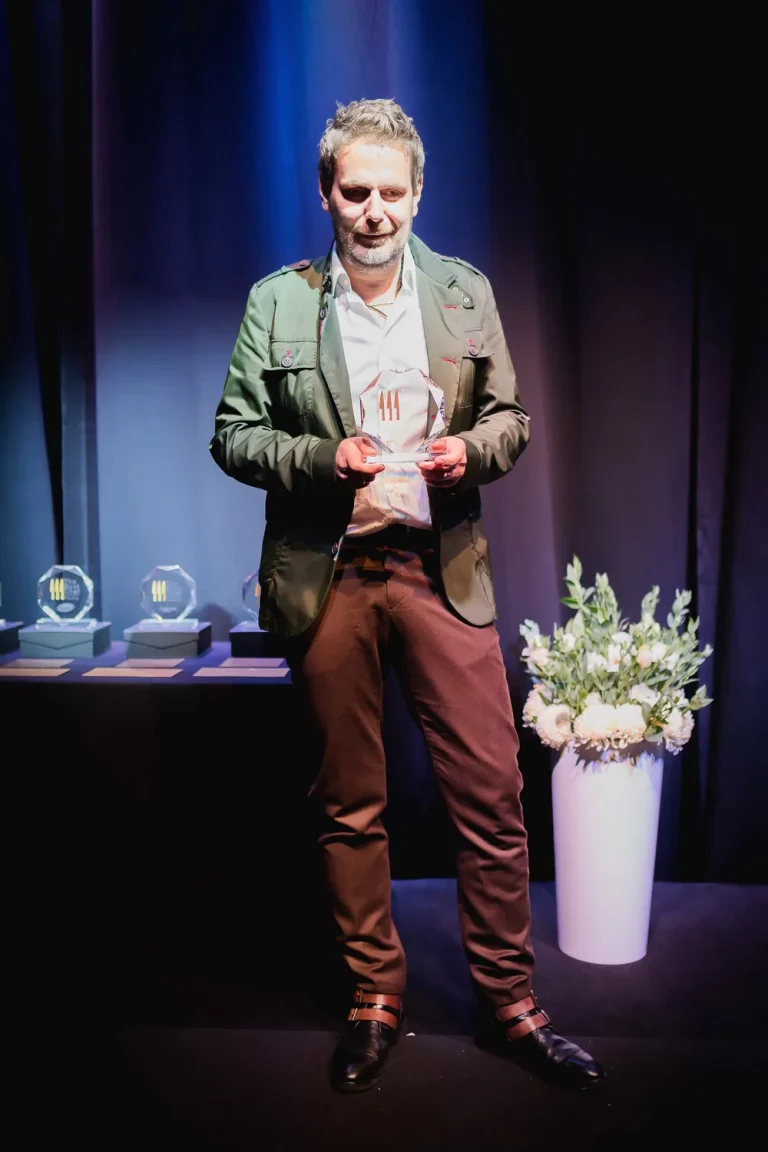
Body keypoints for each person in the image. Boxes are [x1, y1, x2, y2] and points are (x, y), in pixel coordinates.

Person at [210, 98, 604, 1093]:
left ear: (419, 193)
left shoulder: (464, 293)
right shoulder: (279, 302)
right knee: (350, 802)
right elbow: (233, 435)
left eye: (392, 191)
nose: (375, 210)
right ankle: (374, 998)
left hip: (440, 569)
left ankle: (511, 1004)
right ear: (325, 192)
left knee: (492, 792)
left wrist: (466, 450)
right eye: (356, 191)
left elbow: (511, 420)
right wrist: (321, 458)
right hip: (331, 573)